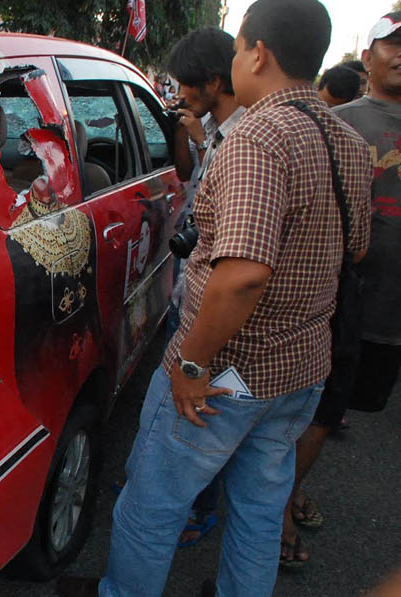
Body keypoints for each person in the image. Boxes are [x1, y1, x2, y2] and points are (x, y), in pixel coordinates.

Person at [57, 1, 372, 596]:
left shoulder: (257, 136)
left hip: (227, 373)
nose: (234, 60)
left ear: (258, 52)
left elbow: (243, 274)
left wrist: (192, 365)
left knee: (151, 505)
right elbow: (355, 250)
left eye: (238, 49)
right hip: (300, 368)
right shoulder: (346, 139)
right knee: (257, 511)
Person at [280, 10, 401, 568]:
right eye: (392, 43)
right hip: (340, 299)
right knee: (317, 410)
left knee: (343, 411)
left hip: (392, 310)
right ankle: (276, 506)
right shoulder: (338, 123)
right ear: (367, 57)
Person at [165, 26, 246, 547]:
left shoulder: (245, 142)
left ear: (213, 81)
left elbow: (241, 271)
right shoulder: (215, 130)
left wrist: (192, 361)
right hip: (189, 298)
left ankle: (193, 509)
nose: (180, 95)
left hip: (209, 318)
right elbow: (182, 173)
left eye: (186, 86)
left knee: (198, 422)